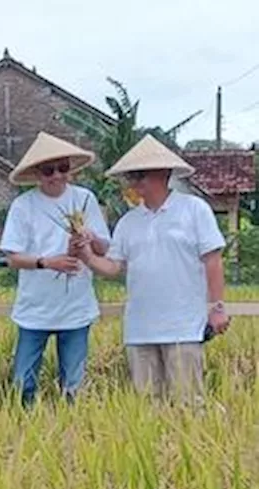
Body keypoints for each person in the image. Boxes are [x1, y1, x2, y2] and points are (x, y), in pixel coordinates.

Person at [78, 135, 229, 403]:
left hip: (183, 327)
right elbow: (114, 267)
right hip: (140, 329)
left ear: (163, 174)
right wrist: (87, 256)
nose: (134, 184)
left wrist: (217, 308)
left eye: (139, 176)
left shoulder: (194, 210)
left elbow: (213, 260)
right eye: (131, 177)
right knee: (146, 408)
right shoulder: (128, 222)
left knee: (188, 404)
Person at [0, 132, 111, 406]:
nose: (57, 175)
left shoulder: (85, 199)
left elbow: (104, 248)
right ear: (38, 173)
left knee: (74, 386)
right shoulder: (23, 206)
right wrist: (47, 262)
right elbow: (12, 257)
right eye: (49, 170)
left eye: (63, 168)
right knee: (22, 383)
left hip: (76, 307)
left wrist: (89, 238)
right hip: (35, 309)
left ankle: (73, 434)